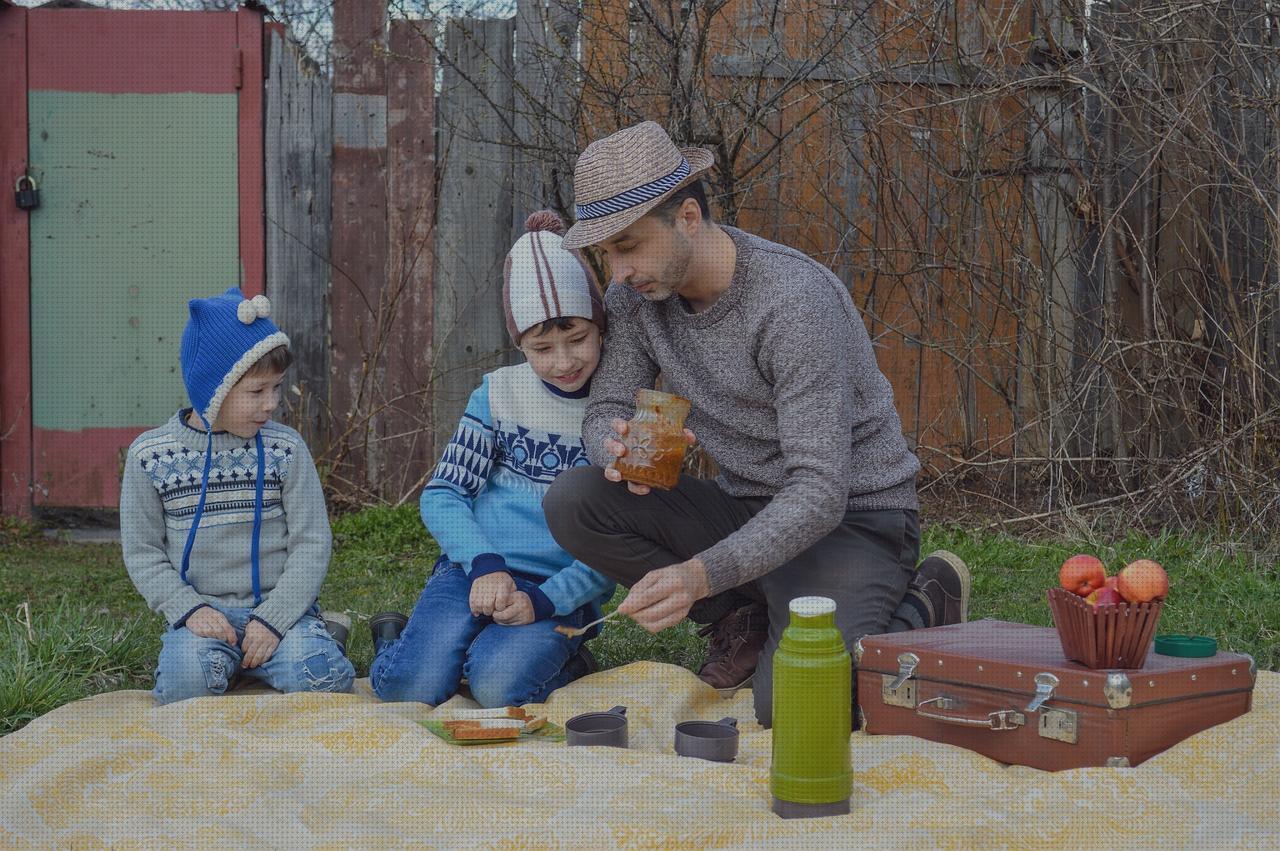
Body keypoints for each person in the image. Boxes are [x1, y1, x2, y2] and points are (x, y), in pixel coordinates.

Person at [543, 121, 971, 726]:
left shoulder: (793, 304)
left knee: (796, 711)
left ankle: (926, 599)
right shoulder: (638, 299)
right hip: (743, 506)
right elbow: (607, 407)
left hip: (852, 520)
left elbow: (820, 493)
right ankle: (741, 615)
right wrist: (612, 447)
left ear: (687, 217)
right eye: (606, 253)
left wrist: (699, 574)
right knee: (576, 500)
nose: (617, 272)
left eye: (628, 246)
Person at [368, 211, 616, 709]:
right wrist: (483, 564)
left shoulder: (617, 408)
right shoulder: (499, 394)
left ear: (599, 324)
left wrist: (544, 602)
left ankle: (565, 656)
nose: (563, 362)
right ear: (518, 342)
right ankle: (395, 640)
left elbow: (616, 543)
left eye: (578, 339)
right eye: (541, 347)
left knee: (498, 687)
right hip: (476, 572)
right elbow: (444, 494)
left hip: (555, 587)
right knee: (409, 689)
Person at [120, 287, 355, 705]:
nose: (272, 404)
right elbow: (143, 553)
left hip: (280, 611)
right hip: (203, 615)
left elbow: (311, 542)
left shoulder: (286, 449)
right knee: (183, 689)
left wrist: (276, 618)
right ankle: (223, 660)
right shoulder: (151, 456)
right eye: (256, 392)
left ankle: (319, 635)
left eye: (277, 388)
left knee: (323, 680)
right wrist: (190, 610)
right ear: (212, 389)